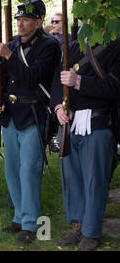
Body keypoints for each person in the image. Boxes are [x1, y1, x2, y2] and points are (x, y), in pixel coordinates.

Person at [0, 0, 61, 245]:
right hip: (11, 113)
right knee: (11, 170)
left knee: (29, 170)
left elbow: (32, 78)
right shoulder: (9, 45)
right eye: (18, 19)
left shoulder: (49, 46)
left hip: (33, 113)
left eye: (26, 19)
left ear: (39, 21)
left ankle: (31, 223)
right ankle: (19, 216)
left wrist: (9, 55)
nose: (19, 23)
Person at [51, 35, 120, 251]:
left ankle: (91, 232)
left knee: (94, 180)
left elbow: (114, 87)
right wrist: (58, 108)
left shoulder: (116, 45)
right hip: (70, 122)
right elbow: (57, 80)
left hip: (98, 121)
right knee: (71, 179)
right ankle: (77, 226)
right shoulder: (73, 46)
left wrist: (79, 82)